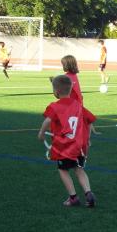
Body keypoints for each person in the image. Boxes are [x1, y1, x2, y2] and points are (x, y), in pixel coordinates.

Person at [38, 74, 97, 208]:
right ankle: (88, 193)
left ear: (56, 91)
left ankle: (73, 197)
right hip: (79, 147)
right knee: (79, 169)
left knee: (63, 170)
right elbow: (89, 121)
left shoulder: (54, 106)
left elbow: (48, 120)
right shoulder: (78, 105)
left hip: (64, 147)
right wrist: (87, 139)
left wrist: (41, 134)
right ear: (70, 90)